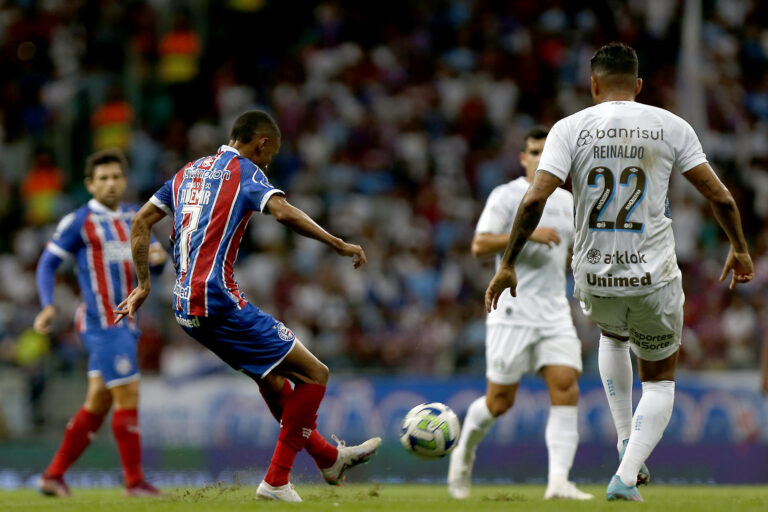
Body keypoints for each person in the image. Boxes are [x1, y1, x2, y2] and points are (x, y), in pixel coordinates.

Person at [484, 42, 754, 502]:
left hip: (593, 277)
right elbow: (722, 198)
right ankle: (626, 476)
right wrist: (740, 249)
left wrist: (507, 263)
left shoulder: (569, 128)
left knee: (613, 338)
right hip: (652, 277)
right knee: (661, 377)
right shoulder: (670, 125)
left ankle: (626, 435)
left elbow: (534, 199)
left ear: (592, 85)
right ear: (640, 86)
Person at [115, 110, 381, 502]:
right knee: (315, 374)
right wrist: (338, 243)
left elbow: (139, 221)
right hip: (217, 298)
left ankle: (328, 458)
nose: (269, 161)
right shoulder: (245, 172)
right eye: (270, 152)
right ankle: (276, 481)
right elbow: (283, 212)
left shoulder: (188, 172)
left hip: (185, 306)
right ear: (261, 144)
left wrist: (142, 285)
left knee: (272, 379)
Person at [448, 127, 592, 501]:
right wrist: (531, 234)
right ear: (523, 156)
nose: (539, 157)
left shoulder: (567, 201)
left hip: (555, 310)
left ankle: (558, 482)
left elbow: (575, 254)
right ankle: (464, 450)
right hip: (511, 310)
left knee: (566, 387)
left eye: (547, 152)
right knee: (500, 402)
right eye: (533, 151)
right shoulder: (506, 196)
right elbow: (480, 245)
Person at [33, 149, 166, 497]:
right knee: (128, 393)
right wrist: (47, 307)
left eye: (116, 177)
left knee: (99, 402)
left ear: (125, 180)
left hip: (127, 323)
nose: (110, 183)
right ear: (89, 184)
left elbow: (152, 266)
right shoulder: (79, 221)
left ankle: (53, 476)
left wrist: (158, 259)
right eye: (102, 178)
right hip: (101, 323)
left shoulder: (135, 218)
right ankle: (134, 482)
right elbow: (47, 264)